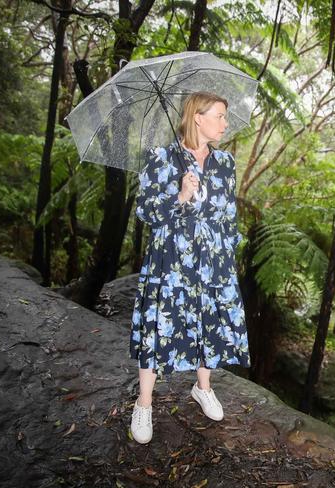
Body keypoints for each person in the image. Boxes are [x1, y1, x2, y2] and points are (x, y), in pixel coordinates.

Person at [128, 91, 251, 444]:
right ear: (198, 117)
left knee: (208, 320)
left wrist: (229, 256)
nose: (225, 123)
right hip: (171, 260)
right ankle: (145, 402)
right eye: (220, 116)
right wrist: (179, 196)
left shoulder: (225, 163)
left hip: (213, 260)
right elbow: (146, 213)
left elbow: (228, 215)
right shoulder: (161, 158)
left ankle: (203, 387)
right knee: (158, 327)